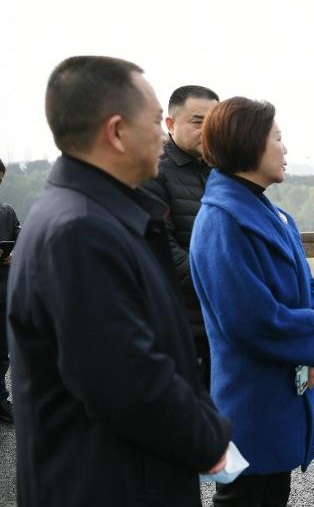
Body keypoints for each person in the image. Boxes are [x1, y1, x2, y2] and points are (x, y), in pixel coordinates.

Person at [7, 56, 230, 506]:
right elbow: (127, 382)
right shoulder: (79, 232)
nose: (161, 136)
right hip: (109, 484)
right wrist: (210, 437)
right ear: (116, 132)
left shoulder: (93, 213)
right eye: (154, 121)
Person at [190, 97, 314, 506]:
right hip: (250, 402)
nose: (285, 149)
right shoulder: (222, 221)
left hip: (276, 399)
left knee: (272, 493)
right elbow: (250, 320)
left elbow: (307, 282)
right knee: (245, 496)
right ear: (250, 143)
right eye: (277, 138)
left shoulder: (271, 211)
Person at [140, 85, 219, 389]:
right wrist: (222, 280)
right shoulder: (153, 172)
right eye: (198, 122)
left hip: (221, 320)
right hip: (181, 325)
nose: (207, 130)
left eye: (214, 122)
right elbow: (163, 252)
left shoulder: (222, 170)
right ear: (170, 124)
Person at [0, 159, 20, 424]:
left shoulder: (7, 212)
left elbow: (20, 237)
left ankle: (0, 399)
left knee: (2, 351)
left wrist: (14, 254)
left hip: (3, 292)